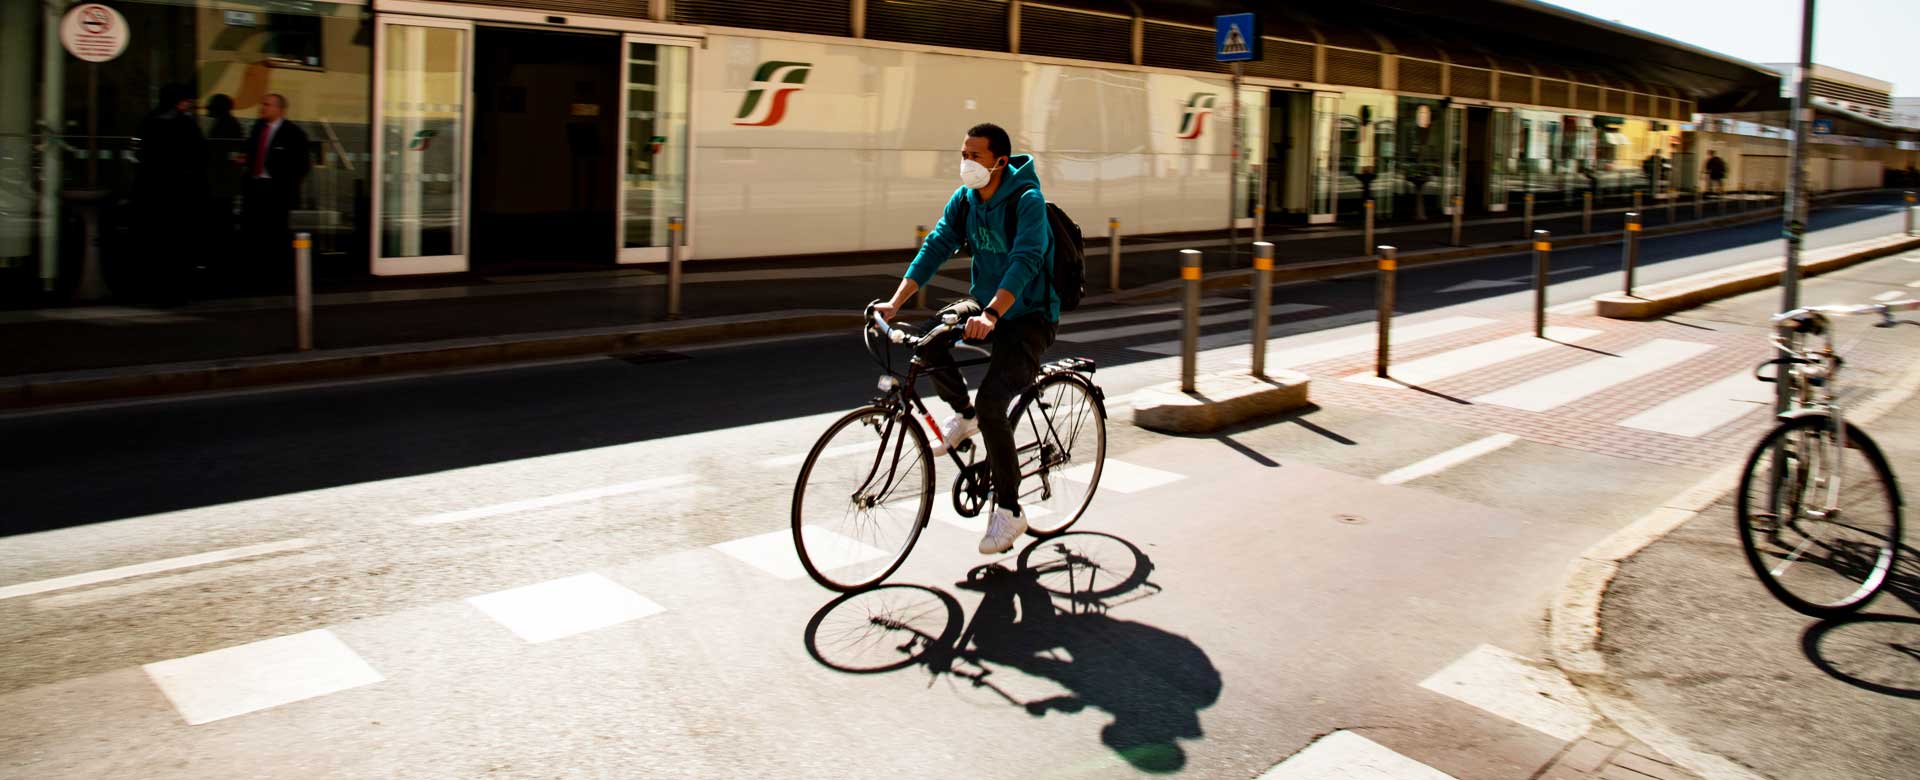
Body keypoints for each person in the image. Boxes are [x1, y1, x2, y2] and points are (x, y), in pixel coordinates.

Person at [873, 122, 1058, 555]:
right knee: (929, 340)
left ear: (1000, 162)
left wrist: (995, 311)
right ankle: (963, 414)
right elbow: (936, 245)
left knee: (996, 403)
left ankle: (1011, 512)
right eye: (964, 154)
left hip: (1027, 315)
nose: (966, 163)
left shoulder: (1027, 202)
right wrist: (896, 303)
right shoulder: (967, 200)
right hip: (985, 306)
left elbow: (1027, 259)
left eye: (975, 155)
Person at [132, 83, 206, 305]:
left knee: (154, 244)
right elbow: (200, 156)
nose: (188, 104)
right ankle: (175, 290)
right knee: (177, 244)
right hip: (179, 195)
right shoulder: (185, 125)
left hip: (152, 194)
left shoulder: (149, 122)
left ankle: (152, 290)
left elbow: (140, 155)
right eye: (184, 100)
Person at [241, 93, 311, 291]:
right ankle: (255, 275)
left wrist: (287, 185)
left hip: (276, 192)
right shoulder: (257, 128)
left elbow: (301, 164)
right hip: (256, 188)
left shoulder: (293, 133)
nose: (262, 108)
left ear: (280, 109)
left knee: (276, 235)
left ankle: (277, 278)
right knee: (254, 234)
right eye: (263, 104)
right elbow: (250, 151)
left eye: (267, 105)